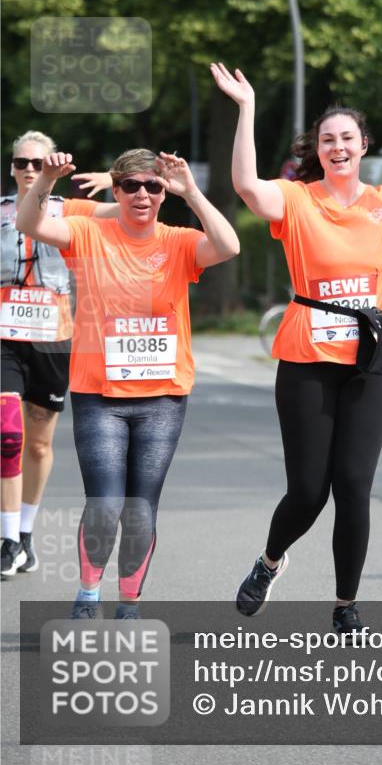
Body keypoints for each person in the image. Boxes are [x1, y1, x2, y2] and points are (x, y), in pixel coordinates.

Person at [210, 60, 382, 634]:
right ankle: (269, 562)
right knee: (309, 491)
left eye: (347, 138)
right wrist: (247, 108)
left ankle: (345, 603)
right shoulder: (296, 200)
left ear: (362, 146)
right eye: (327, 140)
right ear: (319, 150)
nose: (337, 147)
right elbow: (247, 187)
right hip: (307, 357)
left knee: (354, 486)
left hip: (373, 360)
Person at [16, 147, 240, 618]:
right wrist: (47, 181)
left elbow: (228, 246)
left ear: (163, 193)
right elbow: (30, 224)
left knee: (140, 507)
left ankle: (130, 603)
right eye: (132, 186)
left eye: (152, 186)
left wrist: (192, 192)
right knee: (104, 502)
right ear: (116, 191)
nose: (142, 194)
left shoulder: (179, 241)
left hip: (163, 397)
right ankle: (88, 593)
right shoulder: (87, 232)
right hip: (100, 394)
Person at [1, 130, 115, 579]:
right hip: (5, 338)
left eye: (38, 162)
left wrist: (114, 178)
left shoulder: (71, 211)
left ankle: (25, 533)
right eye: (21, 163)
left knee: (39, 442)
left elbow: (132, 207)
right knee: (8, 434)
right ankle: (7, 539)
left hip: (53, 338)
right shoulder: (2, 212)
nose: (30, 169)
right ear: (12, 168)